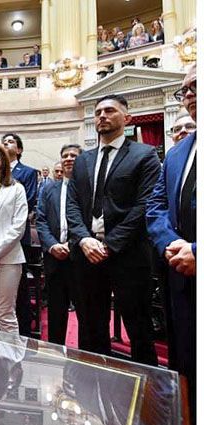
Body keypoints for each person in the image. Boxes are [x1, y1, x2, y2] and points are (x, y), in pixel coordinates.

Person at [66, 94, 161, 365]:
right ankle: (92, 388)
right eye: (97, 112)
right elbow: (72, 204)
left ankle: (148, 396)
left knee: (138, 328)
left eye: (109, 111)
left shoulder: (145, 155)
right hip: (86, 254)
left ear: (126, 118)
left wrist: (110, 244)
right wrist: (84, 239)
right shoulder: (84, 160)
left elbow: (144, 205)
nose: (102, 116)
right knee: (90, 327)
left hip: (128, 255)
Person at [146, 64, 196, 425]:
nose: (189, 96)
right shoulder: (177, 153)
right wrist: (175, 244)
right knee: (186, 363)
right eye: (184, 90)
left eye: (196, 86)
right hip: (179, 272)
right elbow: (157, 206)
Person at [36, 144, 81, 345]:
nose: (69, 158)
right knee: (56, 312)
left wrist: (72, 245)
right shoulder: (48, 188)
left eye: (74, 155)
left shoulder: (87, 187)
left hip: (80, 257)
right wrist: (53, 245)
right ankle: (56, 354)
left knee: (86, 313)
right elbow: (41, 220)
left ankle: (86, 360)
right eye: (65, 155)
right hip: (54, 257)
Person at [0, 143, 28, 333]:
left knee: (5, 313)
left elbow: (18, 227)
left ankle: (11, 361)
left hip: (8, 258)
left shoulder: (16, 188)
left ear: (2, 162)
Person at [1, 132, 37, 335]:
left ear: (19, 150)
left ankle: (23, 328)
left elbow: (30, 199)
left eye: (10, 142)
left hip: (18, 236)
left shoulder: (28, 172)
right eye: (3, 142)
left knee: (20, 286)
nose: (6, 144)